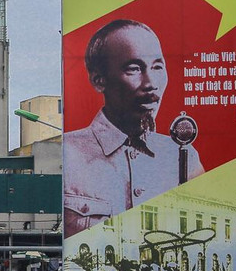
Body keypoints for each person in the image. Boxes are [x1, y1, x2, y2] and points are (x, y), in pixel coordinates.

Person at [63, 20, 204, 236]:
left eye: (157, 67)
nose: (151, 83)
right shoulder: (68, 153)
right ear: (99, 80)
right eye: (134, 69)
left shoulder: (182, 156)